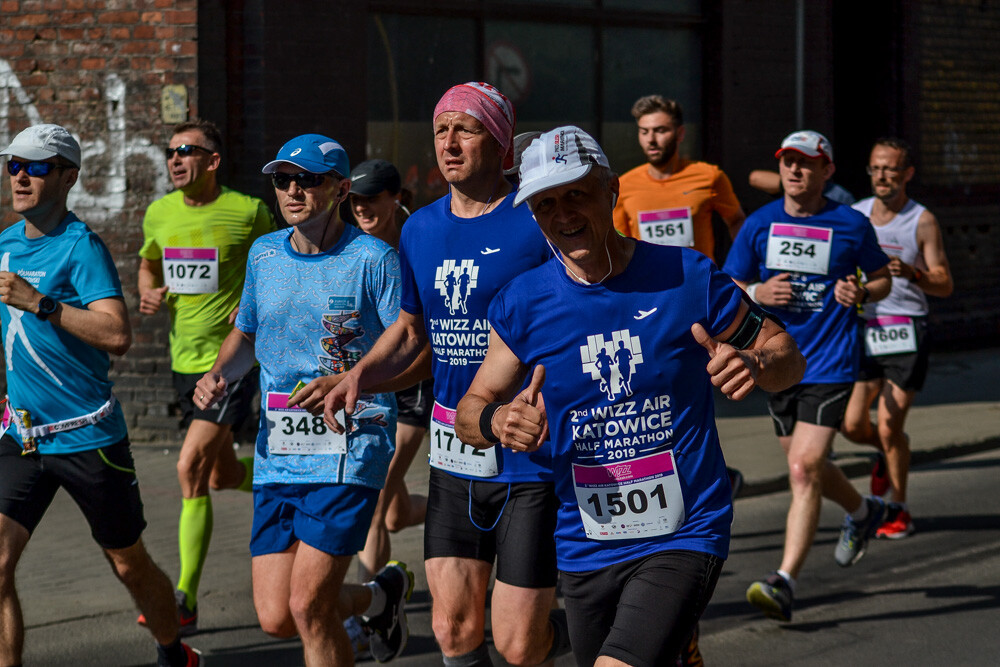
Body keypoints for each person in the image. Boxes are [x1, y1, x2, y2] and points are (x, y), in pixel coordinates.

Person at [453, 126, 805, 666]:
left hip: (685, 530)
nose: (563, 214)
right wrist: (499, 420)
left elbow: (787, 356)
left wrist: (756, 364)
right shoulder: (522, 303)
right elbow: (469, 411)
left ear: (610, 190)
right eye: (546, 203)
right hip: (585, 540)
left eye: (576, 193)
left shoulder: (686, 276)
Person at [325, 82, 571, 667]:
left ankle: (590, 631)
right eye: (441, 130)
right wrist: (359, 376)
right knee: (452, 627)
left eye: (467, 129)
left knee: (517, 643)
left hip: (529, 451)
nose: (450, 142)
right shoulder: (420, 229)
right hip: (454, 448)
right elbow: (414, 332)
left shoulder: (537, 219)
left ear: (502, 141)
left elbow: (581, 310)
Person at [193, 134, 412, 665]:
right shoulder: (265, 254)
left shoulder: (373, 258)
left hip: (349, 447)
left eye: (306, 179)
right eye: (282, 179)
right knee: (276, 616)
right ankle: (378, 598)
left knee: (308, 605)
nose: (292, 189)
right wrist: (218, 373)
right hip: (279, 453)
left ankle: (369, 603)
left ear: (338, 189)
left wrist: (354, 377)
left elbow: (405, 343)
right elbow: (245, 336)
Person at [0, 124, 202, 666]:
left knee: (127, 562)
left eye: (36, 166)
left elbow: (117, 335)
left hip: (85, 436)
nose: (20, 175)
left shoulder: (81, 246)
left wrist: (39, 301)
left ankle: (173, 652)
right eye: (14, 164)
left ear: (68, 176)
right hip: (21, 435)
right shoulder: (5, 244)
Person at [723, 130, 897, 622]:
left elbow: (881, 276)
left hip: (830, 363)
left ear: (827, 171)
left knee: (802, 468)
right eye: (788, 162)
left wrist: (861, 291)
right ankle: (865, 513)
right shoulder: (759, 224)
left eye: (806, 163)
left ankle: (784, 581)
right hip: (776, 363)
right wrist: (758, 288)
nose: (795, 171)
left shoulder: (850, 224)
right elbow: (732, 282)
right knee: (808, 465)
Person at [137, 119, 275, 634]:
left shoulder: (248, 212)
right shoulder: (159, 213)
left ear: (213, 161)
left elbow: (276, 266)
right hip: (182, 361)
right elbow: (149, 265)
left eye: (187, 151)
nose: (175, 160)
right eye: (169, 151)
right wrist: (148, 291)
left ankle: (185, 598)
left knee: (189, 467)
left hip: (231, 366)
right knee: (220, 475)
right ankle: (281, 486)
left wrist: (256, 305)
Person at [841, 138, 954, 538]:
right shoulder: (855, 215)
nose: (882, 176)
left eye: (891, 169)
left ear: (907, 174)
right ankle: (887, 455)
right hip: (865, 326)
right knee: (853, 425)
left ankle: (899, 507)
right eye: (876, 168)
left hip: (906, 327)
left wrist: (914, 273)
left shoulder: (920, 220)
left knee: (889, 427)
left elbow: (944, 283)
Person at [613, 95, 745, 262]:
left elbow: (737, 221)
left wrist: (738, 270)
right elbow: (618, 243)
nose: (651, 140)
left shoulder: (709, 176)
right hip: (648, 284)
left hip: (698, 283)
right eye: (644, 131)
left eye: (660, 130)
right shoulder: (624, 185)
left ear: (680, 133)